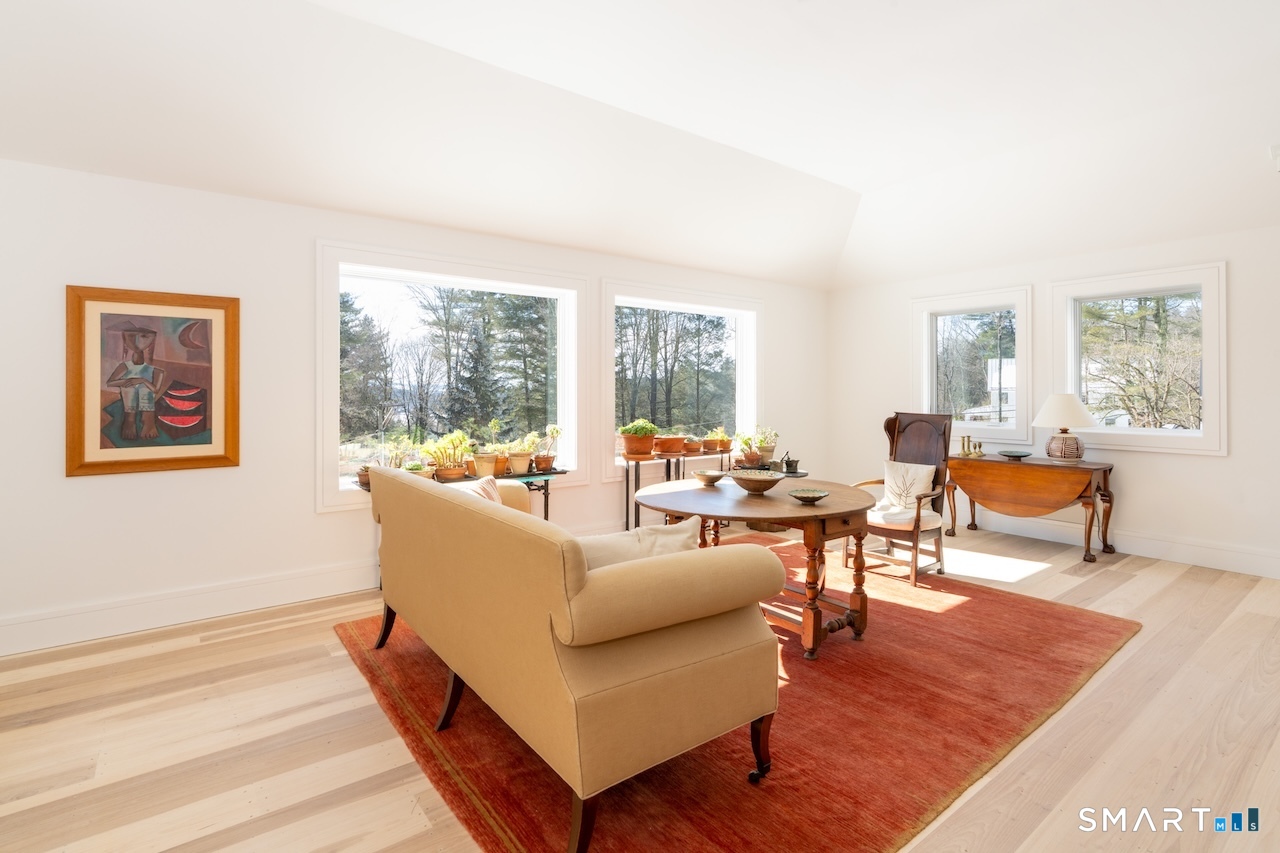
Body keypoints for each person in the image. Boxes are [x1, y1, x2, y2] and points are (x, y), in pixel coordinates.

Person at [105, 324, 166, 441]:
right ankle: (130, 421)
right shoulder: (125, 366)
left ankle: (148, 421)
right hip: (129, 396)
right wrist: (129, 381)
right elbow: (110, 383)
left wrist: (141, 380)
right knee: (129, 388)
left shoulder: (156, 369)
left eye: (144, 336)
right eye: (132, 336)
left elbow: (155, 389)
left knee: (145, 388)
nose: (137, 340)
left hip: (147, 395)